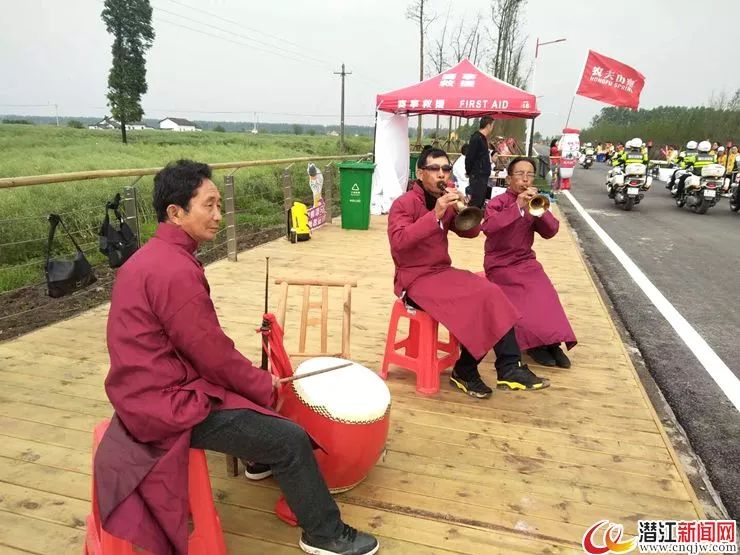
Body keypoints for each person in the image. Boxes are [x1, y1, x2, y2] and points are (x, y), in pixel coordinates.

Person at [94, 159, 379, 555]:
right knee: (289, 437)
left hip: (144, 391)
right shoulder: (173, 271)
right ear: (175, 213)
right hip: (164, 404)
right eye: (208, 206)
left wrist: (249, 380)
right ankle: (324, 533)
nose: (218, 215)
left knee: (246, 390)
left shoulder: (149, 258)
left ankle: (257, 461)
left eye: (218, 205)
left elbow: (199, 347)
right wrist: (261, 382)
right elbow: (211, 354)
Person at [387, 147, 549, 399]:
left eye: (446, 169)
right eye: (434, 169)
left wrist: (464, 208)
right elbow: (399, 242)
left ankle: (508, 366)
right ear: (420, 173)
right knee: (478, 299)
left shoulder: (445, 198)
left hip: (441, 272)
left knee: (492, 292)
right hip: (414, 279)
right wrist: (436, 214)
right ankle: (467, 370)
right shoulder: (404, 203)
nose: (441, 174)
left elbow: (471, 232)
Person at [481, 157, 576, 368]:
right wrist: (517, 206)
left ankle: (552, 343)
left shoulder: (535, 203)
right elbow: (489, 228)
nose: (525, 179)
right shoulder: (497, 203)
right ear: (509, 179)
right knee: (524, 299)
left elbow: (551, 231)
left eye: (530, 175)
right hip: (500, 264)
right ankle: (535, 345)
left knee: (545, 292)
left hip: (525, 261)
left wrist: (540, 211)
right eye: (519, 174)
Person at [465, 116, 495, 209]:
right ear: (488, 125)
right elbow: (470, 156)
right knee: (476, 201)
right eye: (492, 125)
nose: (492, 128)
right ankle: (471, 216)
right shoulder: (476, 138)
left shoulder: (483, 138)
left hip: (483, 175)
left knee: (481, 201)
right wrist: (469, 171)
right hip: (477, 175)